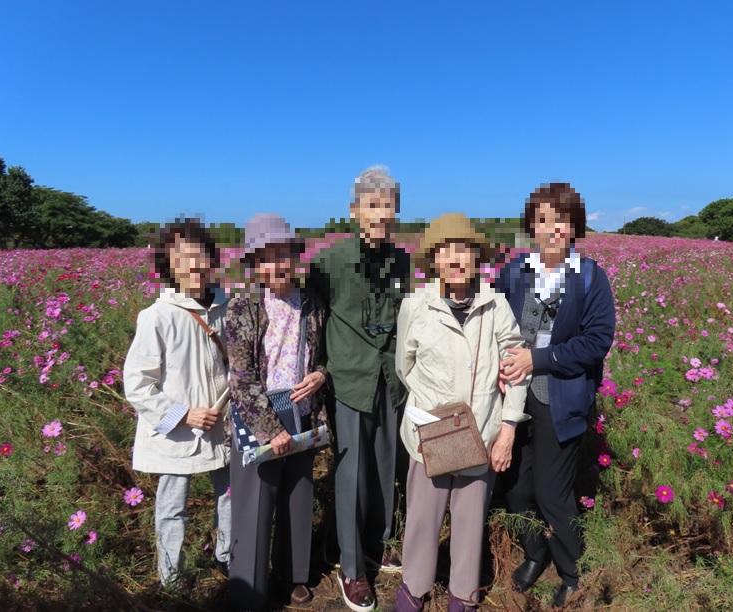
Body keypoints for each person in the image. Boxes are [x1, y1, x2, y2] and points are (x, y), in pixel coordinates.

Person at [394, 214, 529, 612]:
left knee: (470, 527)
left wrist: (507, 430)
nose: (456, 259)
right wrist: (431, 416)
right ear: (434, 260)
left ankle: (462, 597)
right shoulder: (417, 306)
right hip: (431, 436)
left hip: (481, 434)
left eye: (464, 250)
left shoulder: (496, 307)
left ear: (476, 258)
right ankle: (412, 592)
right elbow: (406, 367)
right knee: (422, 520)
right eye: (445, 251)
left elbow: (515, 371)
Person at [495, 183, 615, 607]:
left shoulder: (589, 276)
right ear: (532, 225)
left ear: (573, 226)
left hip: (558, 398)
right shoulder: (515, 271)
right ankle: (535, 551)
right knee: (514, 487)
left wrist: (537, 359)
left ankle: (571, 568)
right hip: (512, 397)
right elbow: (491, 322)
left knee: (551, 491)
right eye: (542, 219)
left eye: (560, 220)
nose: (551, 229)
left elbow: (596, 341)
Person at [309, 165, 410, 612]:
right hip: (349, 379)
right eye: (372, 206)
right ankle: (351, 567)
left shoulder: (401, 259)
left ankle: (376, 542)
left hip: (389, 378)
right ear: (355, 210)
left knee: (385, 465)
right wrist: (319, 368)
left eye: (387, 206)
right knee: (350, 474)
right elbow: (308, 315)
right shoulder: (328, 262)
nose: (380, 214)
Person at [225, 213, 329, 610]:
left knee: (298, 497)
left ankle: (293, 576)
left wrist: (320, 374)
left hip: (301, 410)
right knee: (254, 506)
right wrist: (269, 427)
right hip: (260, 414)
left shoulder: (312, 303)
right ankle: (248, 590)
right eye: (267, 258)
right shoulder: (242, 307)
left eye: (284, 254)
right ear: (253, 265)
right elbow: (242, 377)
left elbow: (321, 359)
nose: (278, 265)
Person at [123, 218, 231, 587]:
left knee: (229, 496)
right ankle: (171, 578)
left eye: (200, 255)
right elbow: (138, 384)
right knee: (173, 506)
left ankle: (227, 558)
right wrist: (184, 414)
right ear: (168, 267)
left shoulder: (226, 307)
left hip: (222, 423)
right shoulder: (157, 317)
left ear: (212, 259)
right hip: (177, 433)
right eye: (182, 258)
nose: (194, 266)